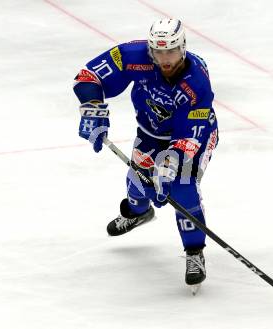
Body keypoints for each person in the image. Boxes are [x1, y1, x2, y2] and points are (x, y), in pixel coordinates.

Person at [73, 18, 218, 288]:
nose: (164, 59)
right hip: (151, 133)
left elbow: (191, 132)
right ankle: (138, 212)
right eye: (158, 52)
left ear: (183, 48)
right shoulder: (133, 55)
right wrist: (92, 107)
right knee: (138, 184)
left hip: (192, 137)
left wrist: (171, 163)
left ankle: (194, 251)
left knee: (181, 187)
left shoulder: (196, 81)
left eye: (171, 51)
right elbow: (88, 76)